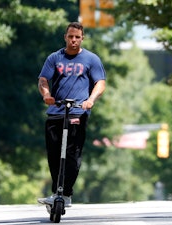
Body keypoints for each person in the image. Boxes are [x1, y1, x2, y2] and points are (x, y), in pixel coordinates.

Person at [37, 22, 106, 207]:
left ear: (82, 38)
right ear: (65, 37)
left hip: (78, 112)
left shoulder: (91, 59)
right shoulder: (54, 58)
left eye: (77, 37)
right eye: (70, 36)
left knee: (72, 154)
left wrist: (91, 100)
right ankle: (56, 192)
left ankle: (66, 194)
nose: (73, 40)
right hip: (56, 112)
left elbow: (100, 82)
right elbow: (43, 80)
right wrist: (47, 95)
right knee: (54, 154)